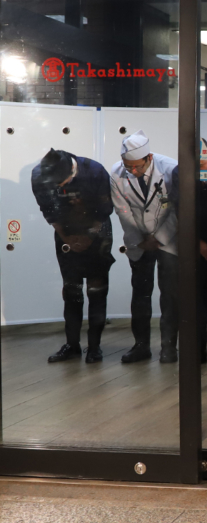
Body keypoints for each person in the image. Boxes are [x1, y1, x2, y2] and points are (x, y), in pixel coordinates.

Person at [32, 149, 115, 363]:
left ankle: (94, 347)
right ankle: (72, 345)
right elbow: (49, 212)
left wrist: (89, 237)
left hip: (98, 231)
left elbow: (105, 209)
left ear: (72, 169)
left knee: (96, 290)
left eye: (62, 182)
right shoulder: (39, 176)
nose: (59, 187)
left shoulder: (95, 171)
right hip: (66, 232)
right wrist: (67, 238)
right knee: (71, 291)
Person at [110, 131, 180, 363]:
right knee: (140, 294)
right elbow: (123, 211)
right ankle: (141, 346)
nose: (132, 171)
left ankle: (169, 347)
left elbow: (178, 209)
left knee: (170, 295)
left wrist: (159, 238)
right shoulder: (116, 173)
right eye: (128, 166)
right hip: (138, 241)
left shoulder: (170, 169)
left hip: (169, 240)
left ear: (149, 157)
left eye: (137, 166)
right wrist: (139, 239)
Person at [171, 139, 207, 366]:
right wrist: (199, 244)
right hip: (195, 240)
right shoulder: (180, 172)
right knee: (195, 295)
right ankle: (197, 346)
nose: (201, 164)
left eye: (204, 159)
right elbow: (180, 210)